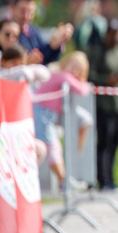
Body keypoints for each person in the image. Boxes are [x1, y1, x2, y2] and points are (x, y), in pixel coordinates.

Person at [32, 51, 93, 183]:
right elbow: (82, 90)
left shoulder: (59, 74)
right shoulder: (62, 75)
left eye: (79, 69)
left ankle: (65, 178)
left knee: (54, 147)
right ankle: (63, 181)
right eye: (74, 65)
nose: (75, 70)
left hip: (50, 114)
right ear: (66, 62)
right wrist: (84, 83)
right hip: (42, 114)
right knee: (52, 147)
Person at [87, 19, 118, 191]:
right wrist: (106, 80)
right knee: (104, 142)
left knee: (115, 142)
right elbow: (91, 75)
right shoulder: (99, 52)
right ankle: (102, 179)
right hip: (104, 105)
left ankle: (111, 178)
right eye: (112, 33)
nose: (115, 36)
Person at [11, 0, 73, 65]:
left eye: (30, 12)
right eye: (22, 11)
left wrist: (55, 44)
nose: (26, 16)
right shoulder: (8, 32)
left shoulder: (33, 30)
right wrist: (26, 61)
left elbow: (45, 56)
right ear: (13, 9)